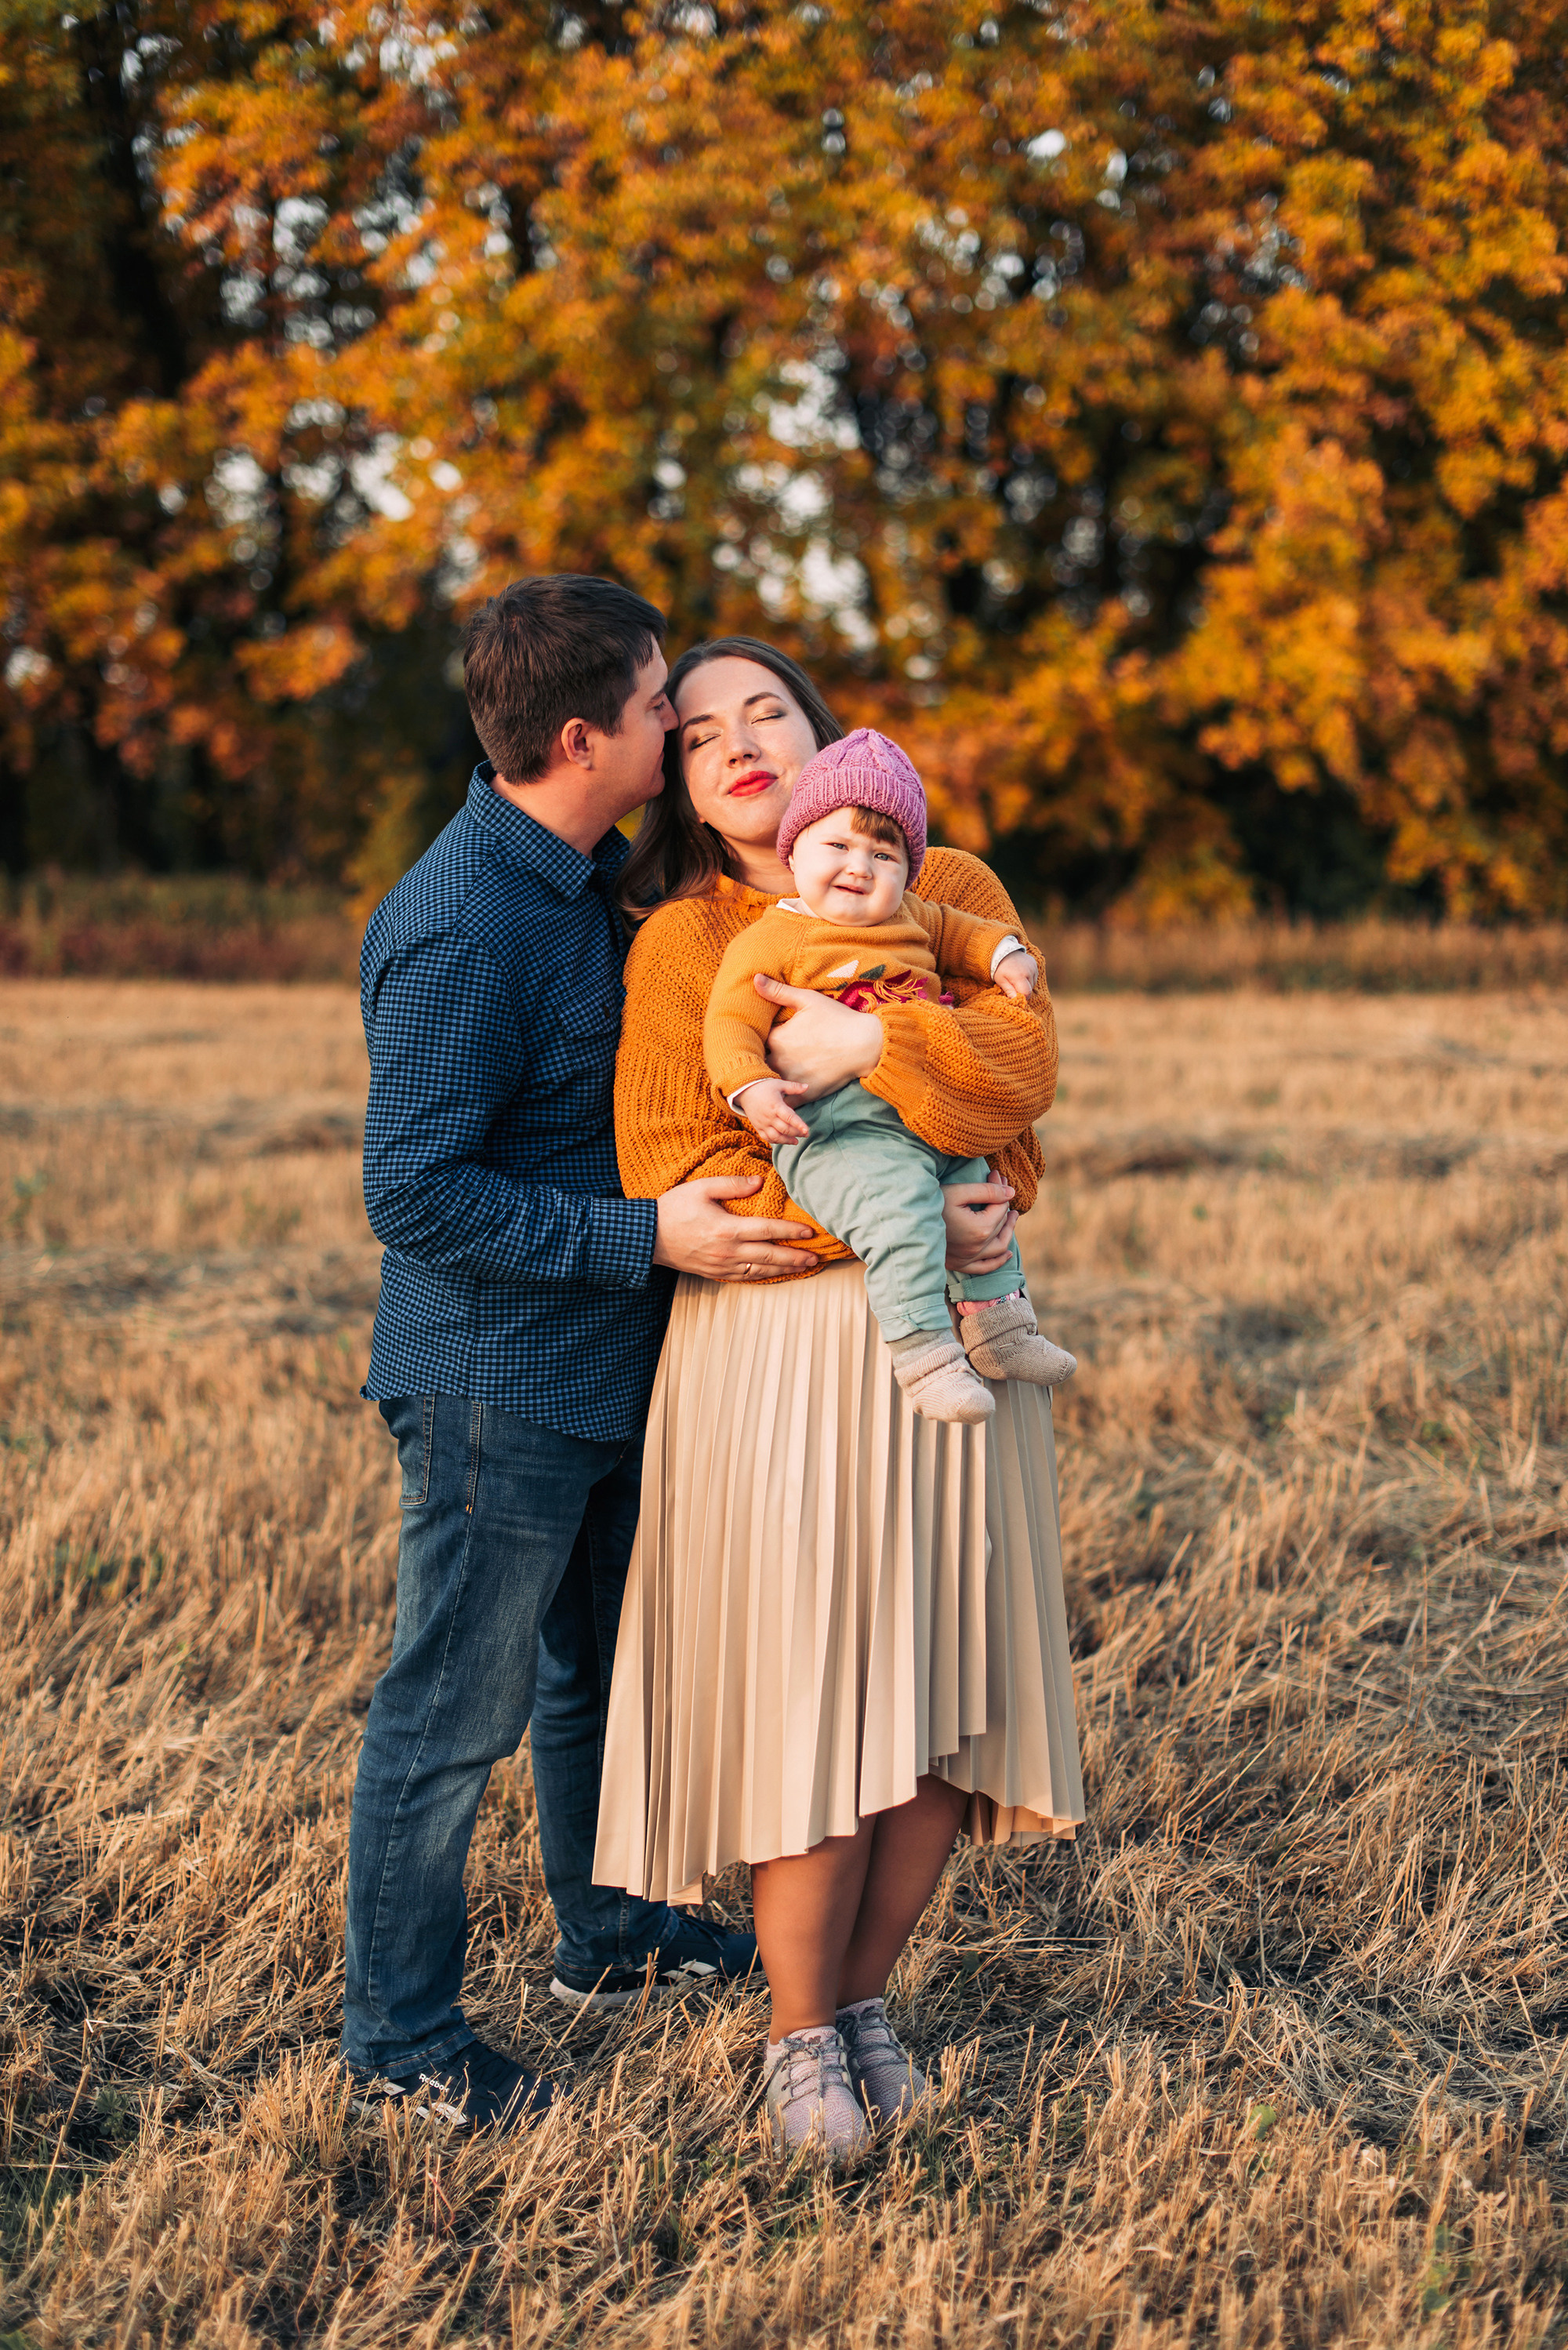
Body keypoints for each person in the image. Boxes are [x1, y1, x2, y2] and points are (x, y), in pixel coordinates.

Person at [594, 637, 1085, 2161]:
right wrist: (907, 1213)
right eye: (699, 732)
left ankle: (867, 2003)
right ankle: (795, 2030)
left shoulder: (953, 887)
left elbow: (1022, 1079)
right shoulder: (688, 940)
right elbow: (678, 1161)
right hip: (780, 1351)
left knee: (938, 1694)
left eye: (770, 712)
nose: (740, 743)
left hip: (959, 1349)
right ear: (677, 779)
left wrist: (878, 1041)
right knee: (819, 1695)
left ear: (828, 741)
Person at [340, 579, 808, 2134]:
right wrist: (644, 1236)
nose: (683, 720)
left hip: (603, 1366)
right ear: (578, 738)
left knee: (590, 1680)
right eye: (663, 699)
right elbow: (413, 1189)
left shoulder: (587, 879)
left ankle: (608, 1938)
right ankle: (400, 2044)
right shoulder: (463, 921)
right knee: (447, 1714)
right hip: (494, 1376)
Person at [704, 725, 1077, 1422]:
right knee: (903, 1206)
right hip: (838, 1132)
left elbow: (964, 933)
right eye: (838, 845)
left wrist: (1004, 954)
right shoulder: (774, 938)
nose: (860, 866)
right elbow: (730, 1023)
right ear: (795, 848)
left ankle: (1002, 1329)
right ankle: (927, 1354)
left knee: (982, 1186)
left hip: (921, 1113)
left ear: (908, 872)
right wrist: (751, 1085)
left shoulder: (914, 915)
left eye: (884, 853)